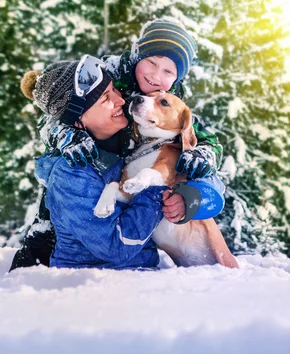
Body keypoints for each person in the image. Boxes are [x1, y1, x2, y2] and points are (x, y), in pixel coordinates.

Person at [10, 19, 224, 270]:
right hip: (88, 178)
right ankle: (39, 247)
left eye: (169, 72)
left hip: (125, 184)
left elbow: (200, 145)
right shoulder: (107, 76)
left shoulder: (169, 101)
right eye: (152, 63)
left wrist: (194, 191)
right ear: (137, 55)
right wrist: (68, 136)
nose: (156, 77)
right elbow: (59, 113)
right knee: (68, 192)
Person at [16, 57, 191, 269]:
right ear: (79, 121)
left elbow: (198, 150)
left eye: (114, 91)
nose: (121, 101)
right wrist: (157, 187)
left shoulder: (122, 147)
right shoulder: (72, 172)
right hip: (92, 283)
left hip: (134, 277)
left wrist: (191, 196)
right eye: (106, 99)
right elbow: (117, 247)